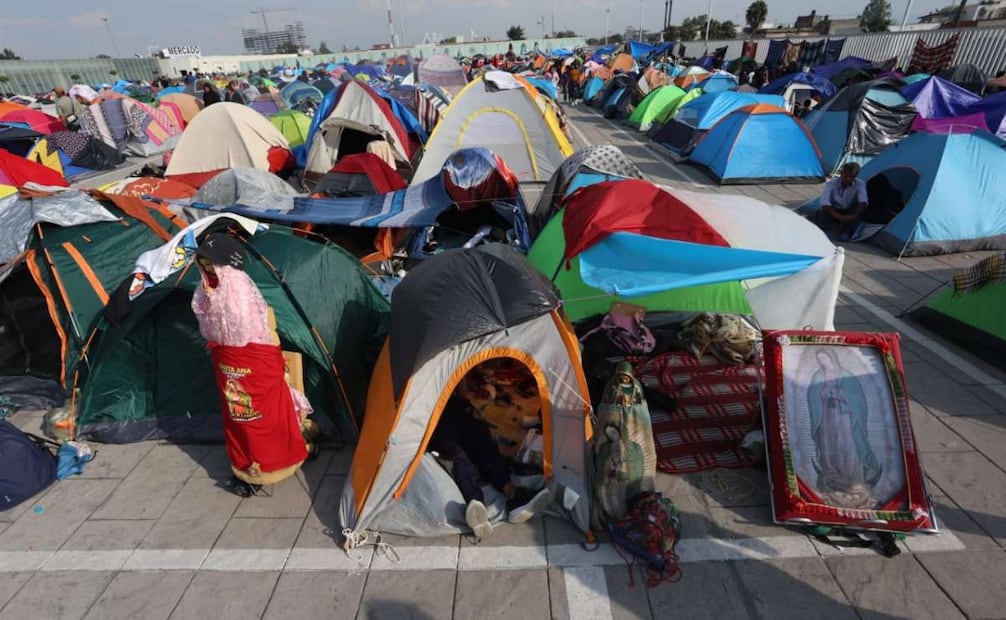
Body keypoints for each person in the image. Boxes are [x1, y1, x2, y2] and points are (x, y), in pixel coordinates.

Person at [190, 233, 317, 497]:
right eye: (202, 260)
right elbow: (211, 325)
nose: (206, 267)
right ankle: (246, 463)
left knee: (267, 415)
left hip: (254, 361)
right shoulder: (206, 290)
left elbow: (251, 327)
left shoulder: (239, 290)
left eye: (211, 262)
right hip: (229, 364)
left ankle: (280, 459)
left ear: (227, 265)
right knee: (240, 416)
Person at [428, 387, 552, 540]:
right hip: (432, 412)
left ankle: (512, 494)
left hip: (454, 406)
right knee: (458, 454)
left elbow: (462, 390)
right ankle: (476, 504)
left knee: (482, 442)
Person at [807, 348, 882, 509]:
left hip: (845, 416)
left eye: (825, 358)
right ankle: (832, 475)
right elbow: (812, 397)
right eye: (821, 360)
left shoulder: (847, 375)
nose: (824, 363)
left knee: (848, 444)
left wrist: (842, 396)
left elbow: (858, 400)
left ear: (832, 357)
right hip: (826, 417)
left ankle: (852, 477)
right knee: (829, 444)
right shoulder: (818, 376)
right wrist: (823, 394)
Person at [815, 162, 869, 241]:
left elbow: (863, 201)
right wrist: (838, 216)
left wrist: (853, 216)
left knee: (859, 213)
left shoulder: (860, 184)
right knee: (823, 213)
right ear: (841, 173)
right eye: (846, 176)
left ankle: (847, 232)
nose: (848, 179)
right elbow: (824, 201)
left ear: (855, 176)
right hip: (834, 209)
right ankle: (827, 230)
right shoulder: (831, 183)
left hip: (849, 211)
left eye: (851, 177)